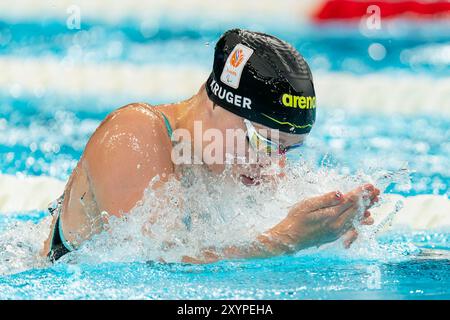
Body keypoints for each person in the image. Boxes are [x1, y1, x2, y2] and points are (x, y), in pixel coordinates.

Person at [41, 29, 379, 263]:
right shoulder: (135, 133)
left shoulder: (252, 164)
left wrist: (328, 235)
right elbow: (151, 271)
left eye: (286, 150)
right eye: (263, 141)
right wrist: (285, 239)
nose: (273, 165)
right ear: (219, 103)